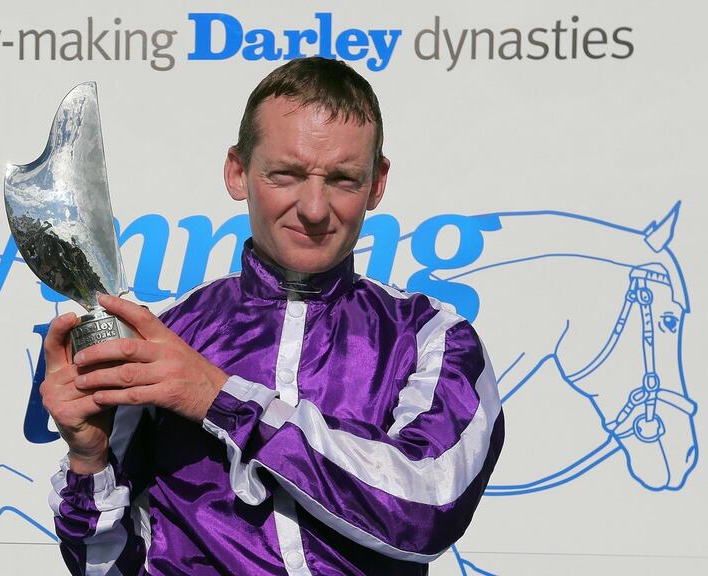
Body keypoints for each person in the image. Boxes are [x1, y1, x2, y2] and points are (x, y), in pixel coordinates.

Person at [40, 57, 504, 575]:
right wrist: (89, 458)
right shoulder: (162, 341)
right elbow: (104, 568)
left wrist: (220, 401)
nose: (313, 207)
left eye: (344, 180)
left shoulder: (434, 337)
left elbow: (426, 510)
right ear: (238, 172)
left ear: (377, 183)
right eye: (286, 174)